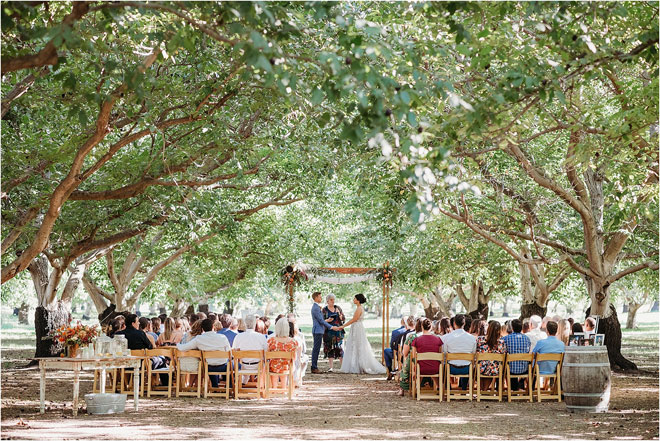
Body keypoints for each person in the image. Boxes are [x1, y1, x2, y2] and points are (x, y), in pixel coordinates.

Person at [338, 294, 387, 375]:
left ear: (358, 300)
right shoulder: (359, 308)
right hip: (357, 327)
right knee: (355, 345)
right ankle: (355, 364)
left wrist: (343, 326)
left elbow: (354, 319)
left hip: (357, 327)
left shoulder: (359, 308)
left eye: (354, 298)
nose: (353, 300)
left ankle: (360, 365)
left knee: (358, 345)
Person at [177, 318, 231, 388]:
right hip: (223, 367)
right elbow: (230, 352)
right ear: (213, 327)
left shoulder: (199, 338)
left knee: (210, 363)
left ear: (202, 329)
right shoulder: (222, 337)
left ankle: (215, 387)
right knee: (233, 365)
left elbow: (183, 348)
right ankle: (228, 386)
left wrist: (178, 344)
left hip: (208, 367)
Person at [443, 314, 477, 390]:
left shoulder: (447, 337)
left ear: (454, 323)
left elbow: (444, 353)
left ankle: (448, 388)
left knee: (442, 365)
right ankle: (464, 388)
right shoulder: (472, 338)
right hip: (467, 369)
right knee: (469, 363)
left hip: (451, 368)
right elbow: (473, 353)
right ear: (464, 324)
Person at [232, 315, 268, 384]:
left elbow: (234, 352)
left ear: (245, 324)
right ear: (254, 324)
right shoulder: (261, 337)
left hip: (243, 365)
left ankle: (244, 381)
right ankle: (260, 384)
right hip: (258, 366)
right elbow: (266, 352)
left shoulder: (238, 336)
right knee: (266, 363)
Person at [310, 292, 340, 374]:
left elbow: (320, 320)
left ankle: (314, 366)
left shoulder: (316, 307)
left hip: (319, 330)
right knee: (316, 349)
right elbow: (320, 321)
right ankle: (314, 367)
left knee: (316, 349)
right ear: (316, 298)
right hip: (318, 331)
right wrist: (331, 326)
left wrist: (327, 321)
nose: (321, 298)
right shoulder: (316, 307)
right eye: (320, 297)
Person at [410, 318, 443, 391]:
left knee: (420, 365)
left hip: (421, 368)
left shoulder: (417, 340)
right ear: (431, 327)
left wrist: (414, 369)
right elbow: (440, 354)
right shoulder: (438, 339)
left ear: (422, 327)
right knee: (433, 364)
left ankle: (416, 388)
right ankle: (439, 387)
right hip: (436, 368)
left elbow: (414, 356)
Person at [267, 318, 299, 390]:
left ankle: (274, 388)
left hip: (273, 367)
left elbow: (267, 354)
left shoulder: (272, 341)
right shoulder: (293, 342)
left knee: (274, 365)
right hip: (286, 366)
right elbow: (294, 357)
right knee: (284, 365)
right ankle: (283, 388)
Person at [476, 321, 506, 391]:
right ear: (499, 331)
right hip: (495, 370)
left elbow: (476, 352)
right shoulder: (501, 342)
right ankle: (484, 390)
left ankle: (482, 390)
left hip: (481, 368)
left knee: (483, 365)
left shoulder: (480, 339)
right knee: (491, 365)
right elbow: (503, 354)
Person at [502, 319, 531, 390]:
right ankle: (518, 387)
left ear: (512, 328)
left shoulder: (505, 339)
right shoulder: (527, 339)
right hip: (524, 369)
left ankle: (509, 389)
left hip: (510, 369)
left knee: (505, 365)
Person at [397, 318, 423, 396]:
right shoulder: (433, 337)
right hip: (428, 362)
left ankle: (402, 389)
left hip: (414, 361)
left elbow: (404, 353)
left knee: (405, 367)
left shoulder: (412, 336)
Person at [322, 294, 346, 372]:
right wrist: (327, 320)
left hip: (338, 331)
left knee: (340, 348)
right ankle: (331, 367)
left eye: (333, 300)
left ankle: (343, 367)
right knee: (329, 349)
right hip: (328, 332)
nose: (333, 301)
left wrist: (339, 315)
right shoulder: (324, 310)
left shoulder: (338, 308)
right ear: (327, 301)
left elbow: (343, 319)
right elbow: (321, 321)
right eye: (331, 300)